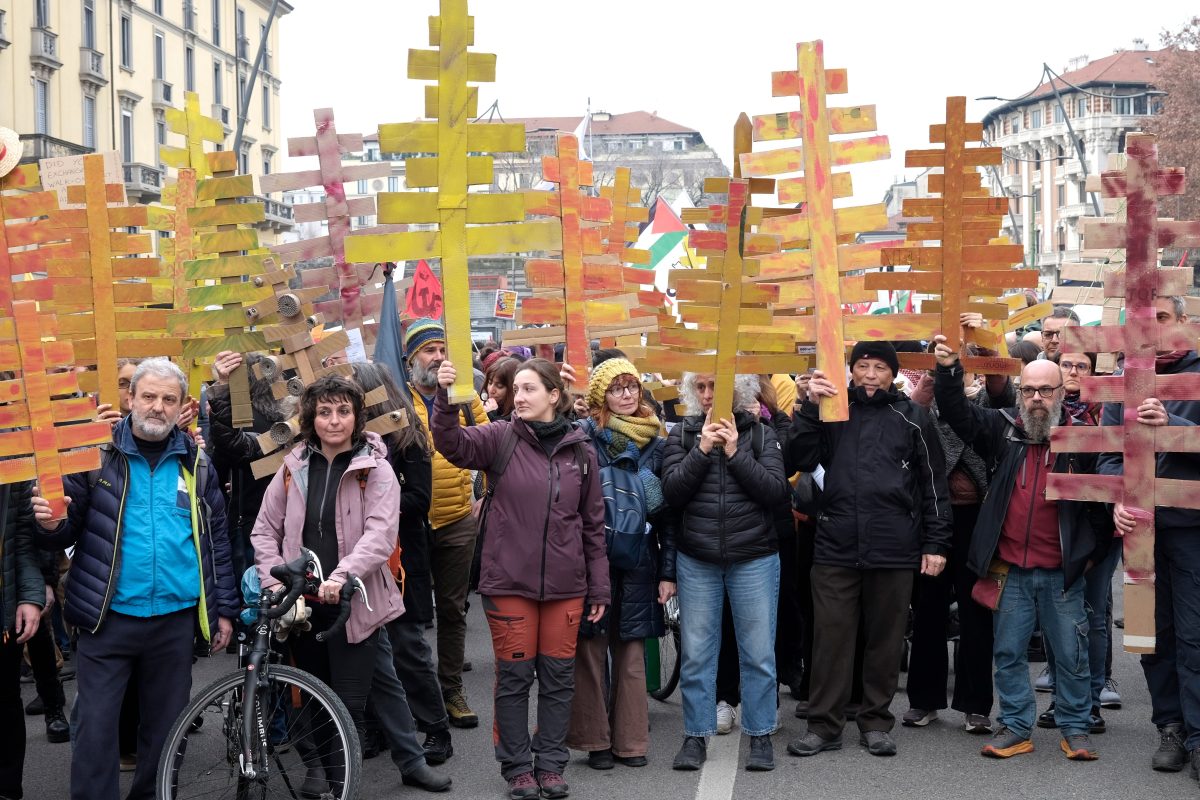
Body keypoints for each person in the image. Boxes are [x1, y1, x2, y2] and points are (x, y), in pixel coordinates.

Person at [32, 358, 237, 800]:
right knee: (95, 730)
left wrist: (224, 609)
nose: (158, 407)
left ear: (181, 406)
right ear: (130, 399)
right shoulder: (94, 455)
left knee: (166, 734)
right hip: (107, 619)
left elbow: (217, 539)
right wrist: (50, 524)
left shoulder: (197, 463)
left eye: (168, 399)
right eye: (148, 396)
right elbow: (63, 531)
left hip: (175, 621)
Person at [251, 374, 447, 793]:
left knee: (357, 694)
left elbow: (380, 534)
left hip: (357, 597)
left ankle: (376, 769)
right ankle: (321, 767)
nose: (334, 420)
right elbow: (265, 529)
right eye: (324, 412)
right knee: (312, 689)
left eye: (344, 411)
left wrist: (342, 576)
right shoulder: (292, 467)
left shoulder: (375, 468)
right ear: (311, 417)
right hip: (303, 601)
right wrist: (275, 579)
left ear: (357, 417)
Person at [431, 357, 608, 800]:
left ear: (554, 395)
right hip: (509, 583)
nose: (520, 397)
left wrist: (599, 587)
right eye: (517, 389)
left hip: (566, 587)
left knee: (558, 679)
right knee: (514, 678)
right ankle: (517, 768)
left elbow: (592, 525)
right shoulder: (499, 437)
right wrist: (446, 399)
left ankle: (550, 765)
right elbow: (450, 443)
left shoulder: (581, 450)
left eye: (530, 389)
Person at [932, 334, 1112, 761]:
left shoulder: (1082, 440)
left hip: (1062, 573)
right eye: (1028, 390)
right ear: (1019, 393)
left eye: (1045, 390)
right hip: (1010, 570)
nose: (1036, 399)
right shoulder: (1002, 430)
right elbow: (957, 413)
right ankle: (1015, 726)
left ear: (1061, 392)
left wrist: (1088, 557)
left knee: (1071, 655)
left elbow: (1101, 508)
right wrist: (949, 370)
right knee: (1008, 653)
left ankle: (1075, 728)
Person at [786, 341, 951, 759]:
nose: (871, 375)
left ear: (893, 374)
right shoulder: (832, 411)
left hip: (894, 546)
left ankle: (876, 722)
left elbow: (934, 485)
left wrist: (935, 543)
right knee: (830, 639)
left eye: (880, 367)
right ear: (852, 370)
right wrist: (809, 408)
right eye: (863, 366)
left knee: (885, 641)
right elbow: (798, 457)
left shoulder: (913, 417)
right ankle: (823, 726)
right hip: (835, 544)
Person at [663, 372, 789, 773]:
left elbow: (775, 492)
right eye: (699, 387)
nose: (707, 395)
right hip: (698, 558)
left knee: (759, 654)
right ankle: (695, 736)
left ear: (737, 390)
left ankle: (760, 734)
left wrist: (735, 452)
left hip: (753, 556)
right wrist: (702, 449)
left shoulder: (761, 434)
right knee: (697, 655)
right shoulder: (682, 434)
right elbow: (672, 494)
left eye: (715, 386)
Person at [1099, 296, 1200, 779]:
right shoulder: (1123, 379)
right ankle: (1171, 727)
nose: (1152, 328)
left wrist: (1174, 427)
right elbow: (1107, 454)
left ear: (1183, 321)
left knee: (1195, 634)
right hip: (1142, 531)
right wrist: (1116, 499)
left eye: (1161, 318)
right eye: (1144, 319)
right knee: (1151, 635)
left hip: (1192, 530)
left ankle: (1199, 736)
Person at [561, 358, 677, 770]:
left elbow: (669, 517)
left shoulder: (658, 442)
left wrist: (668, 572)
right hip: (591, 557)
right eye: (616, 388)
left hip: (640, 559)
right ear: (601, 396)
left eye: (632, 387)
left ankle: (631, 742)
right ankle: (595, 740)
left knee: (630, 654)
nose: (626, 395)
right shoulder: (583, 437)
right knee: (589, 651)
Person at [350, 362, 455, 767]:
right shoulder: (349, 438)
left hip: (402, 559)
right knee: (367, 647)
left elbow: (419, 500)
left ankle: (436, 727)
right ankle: (378, 727)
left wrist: (372, 508)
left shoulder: (407, 435)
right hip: (361, 558)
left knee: (407, 647)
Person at [904, 346, 998, 734]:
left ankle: (976, 705)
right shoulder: (921, 401)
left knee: (977, 612)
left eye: (960, 363)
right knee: (928, 609)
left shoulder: (988, 403)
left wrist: (988, 359)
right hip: (931, 516)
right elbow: (909, 423)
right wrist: (928, 387)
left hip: (977, 516)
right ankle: (923, 700)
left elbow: (1002, 399)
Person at [404, 317, 489, 728]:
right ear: (411, 359)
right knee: (409, 613)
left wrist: (486, 495)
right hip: (408, 523)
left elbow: (492, 447)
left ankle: (451, 688)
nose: (438, 357)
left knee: (453, 610)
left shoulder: (465, 397)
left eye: (442, 349)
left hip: (457, 519)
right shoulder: (394, 400)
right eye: (429, 350)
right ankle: (415, 695)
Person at [1036, 350, 1120, 733]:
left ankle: (1091, 700)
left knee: (1093, 615)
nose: (1073, 371)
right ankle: (1060, 696)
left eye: (1081, 366)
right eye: (1066, 365)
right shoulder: (1045, 410)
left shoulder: (1108, 410)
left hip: (1101, 528)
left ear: (1094, 371)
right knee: (1057, 614)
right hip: (1059, 527)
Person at [0, 480, 49, 800]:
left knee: (4, 701)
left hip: (4, 608)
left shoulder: (10, 462)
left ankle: (7, 789)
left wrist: (31, 596)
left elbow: (22, 537)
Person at [482, 356, 519, 421]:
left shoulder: (518, 415)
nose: (491, 390)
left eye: (499, 386)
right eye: (490, 383)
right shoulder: (484, 405)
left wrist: (491, 416)